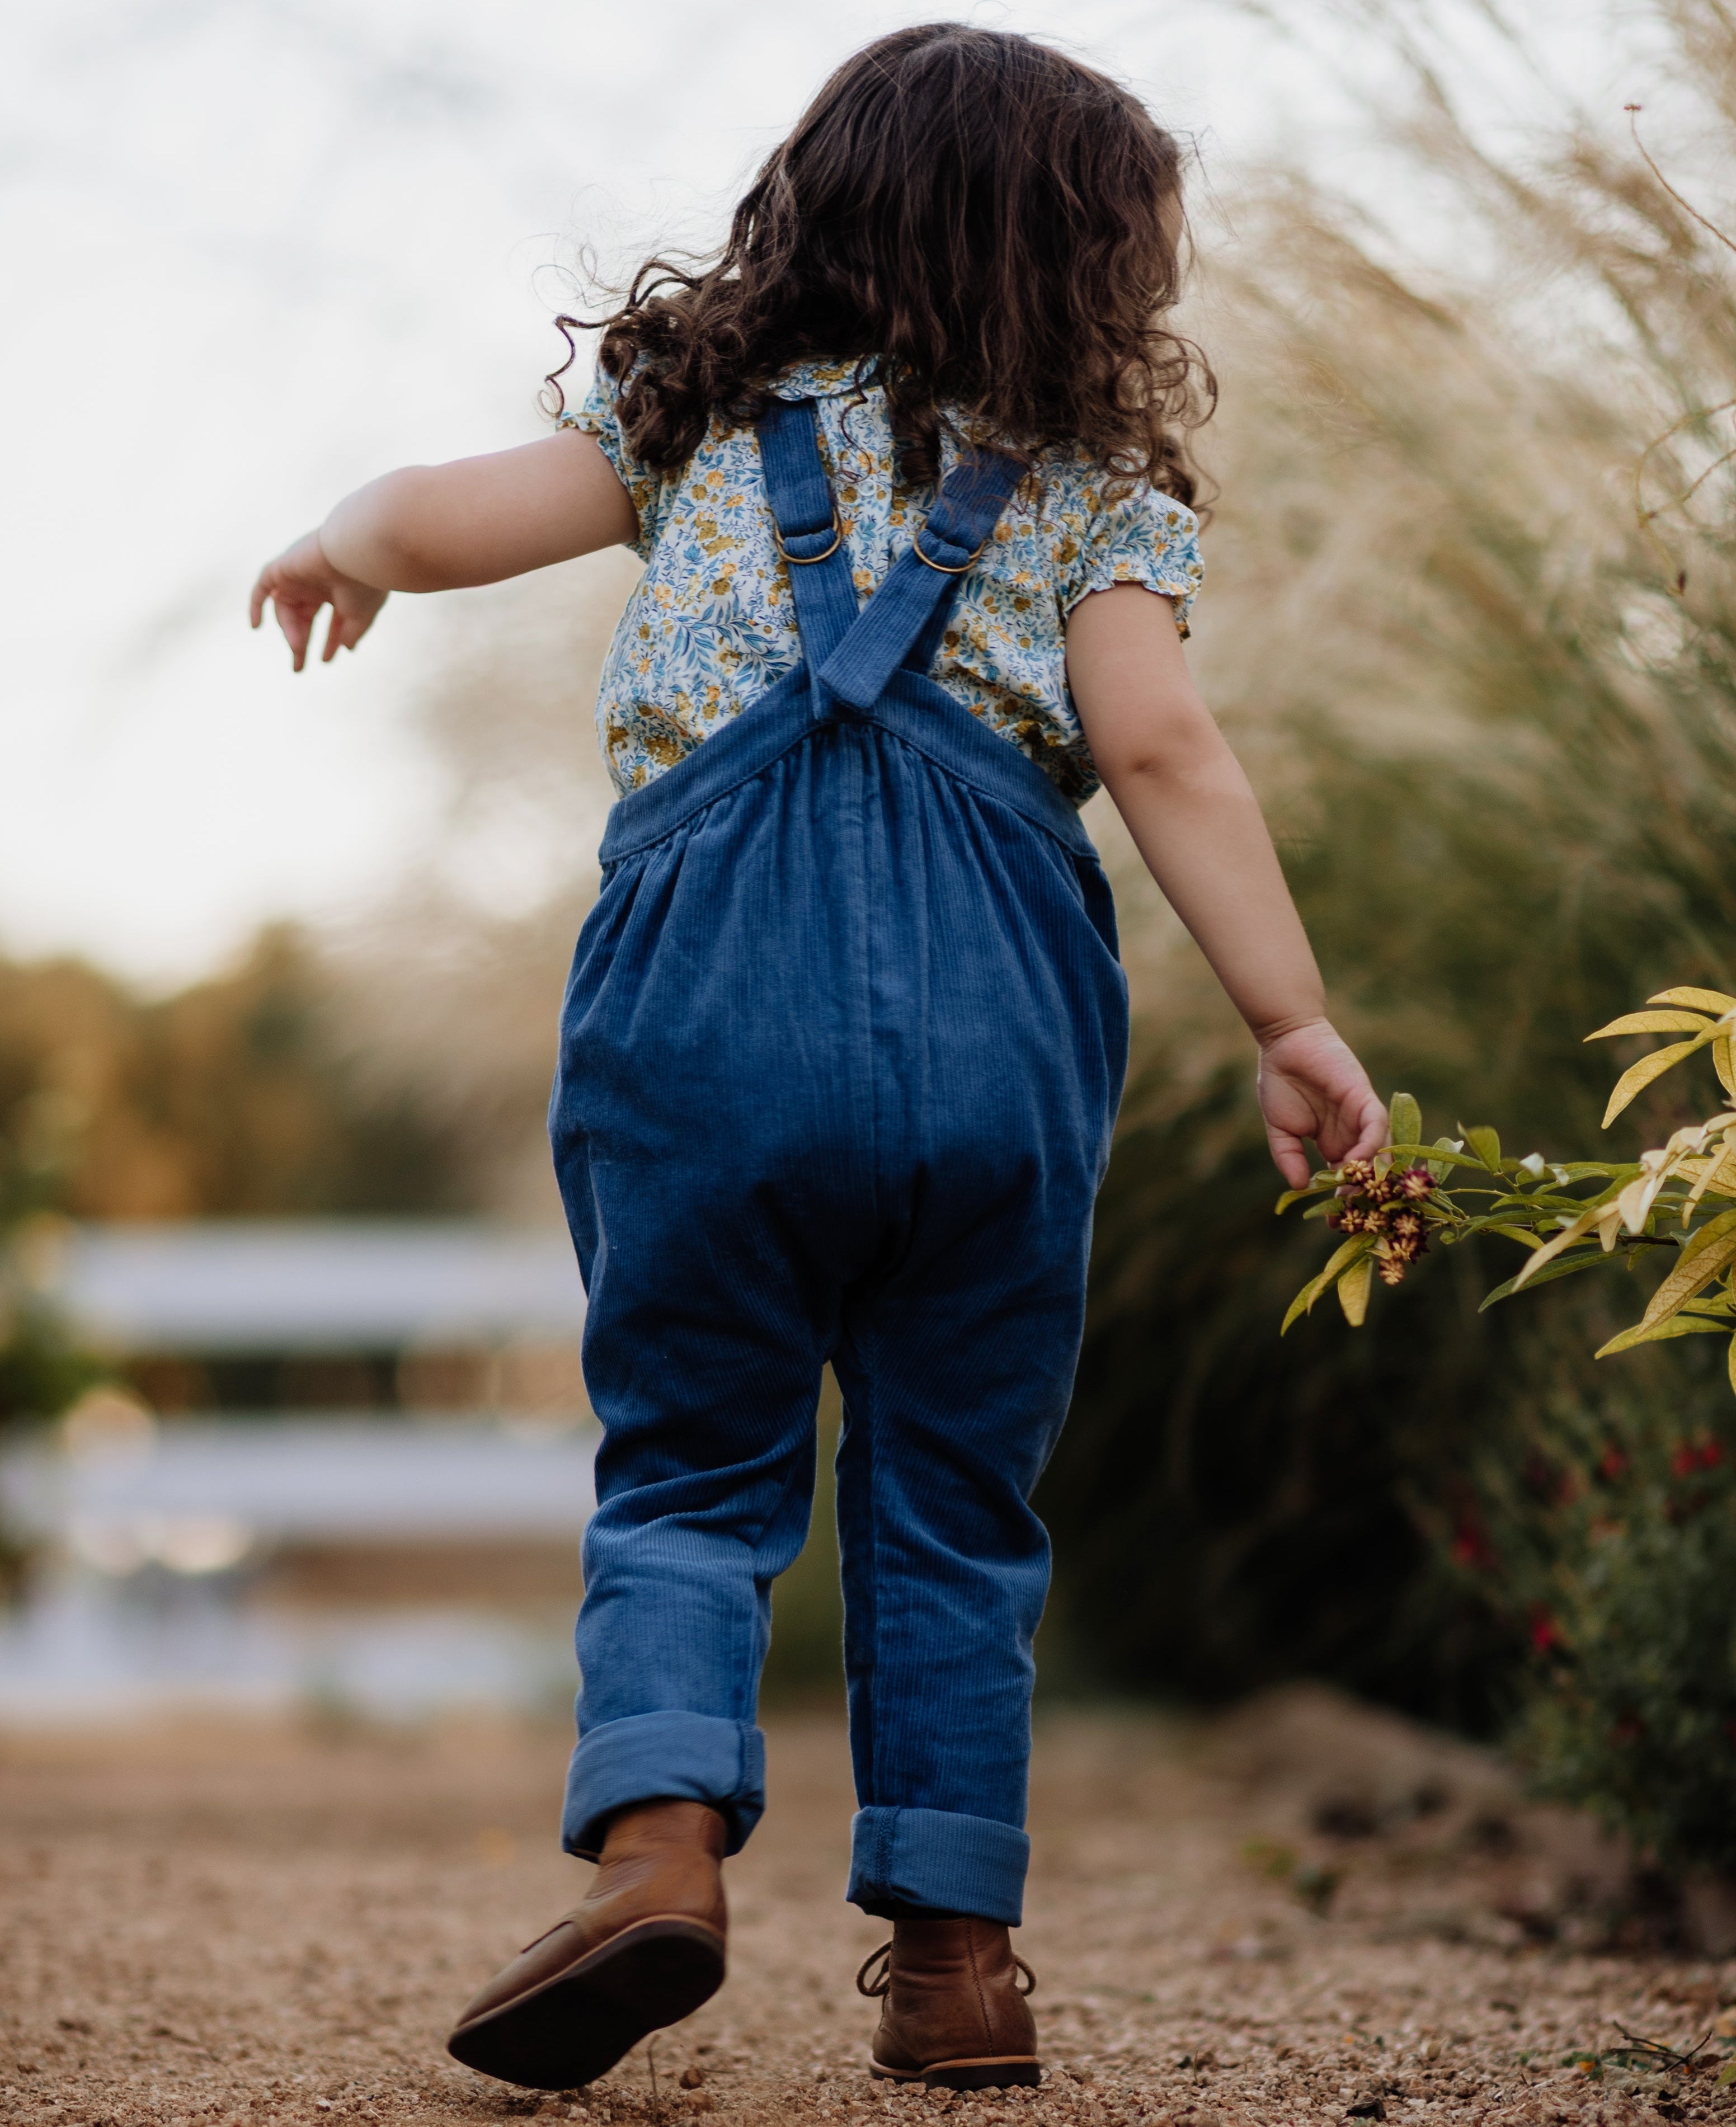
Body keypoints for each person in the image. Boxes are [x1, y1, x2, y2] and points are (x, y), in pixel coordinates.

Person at [249, 22, 1384, 2100]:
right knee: (957, 1488)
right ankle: (957, 1963)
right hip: (995, 1029)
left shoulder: (684, 410)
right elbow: (1160, 752)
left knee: (689, 1456)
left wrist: (342, 540)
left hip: (702, 1012)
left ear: (824, 207)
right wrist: (1289, 1019)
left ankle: (662, 1855)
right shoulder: (1095, 485)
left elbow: (434, 516)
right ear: (1089, 265)